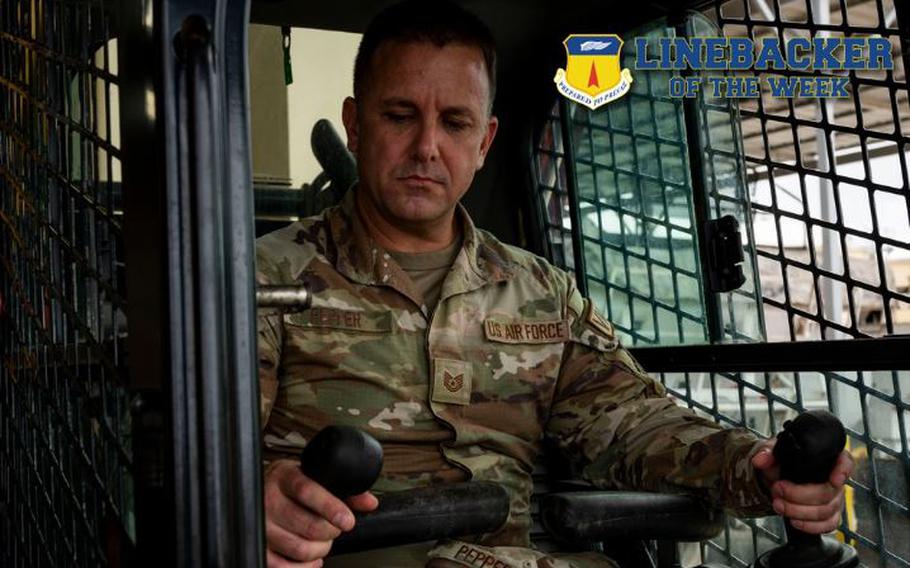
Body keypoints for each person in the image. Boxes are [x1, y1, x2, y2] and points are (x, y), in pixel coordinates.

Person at [256, 2, 853, 567]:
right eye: (399, 115)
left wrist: (758, 466)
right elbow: (200, 454)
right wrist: (256, 494)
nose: (427, 148)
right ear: (356, 126)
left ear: (485, 142)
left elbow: (629, 421)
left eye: (455, 122)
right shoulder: (264, 279)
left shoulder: (539, 290)